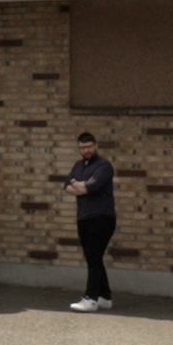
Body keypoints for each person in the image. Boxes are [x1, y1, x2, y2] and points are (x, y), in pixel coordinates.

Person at [64, 132, 117, 312]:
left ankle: (91, 298)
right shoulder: (79, 165)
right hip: (84, 217)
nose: (85, 150)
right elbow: (67, 185)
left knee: (93, 257)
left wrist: (80, 185)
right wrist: (80, 186)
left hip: (101, 217)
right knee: (93, 257)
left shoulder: (104, 166)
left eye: (88, 147)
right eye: (82, 148)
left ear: (96, 145)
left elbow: (91, 187)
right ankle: (105, 296)